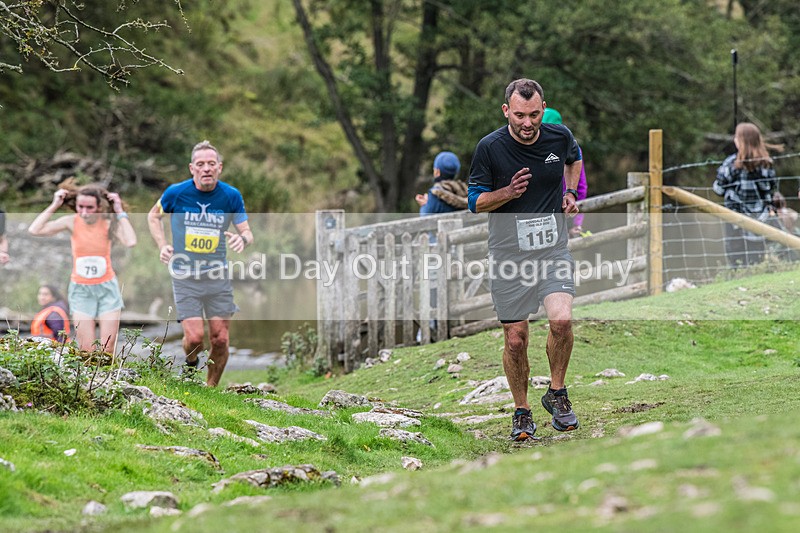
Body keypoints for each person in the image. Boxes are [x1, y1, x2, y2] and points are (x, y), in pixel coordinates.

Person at [468, 78, 582, 440]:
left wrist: (568, 191)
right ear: (507, 111)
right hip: (509, 256)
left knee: (561, 321)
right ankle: (522, 411)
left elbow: (574, 158)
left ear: (543, 108)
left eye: (534, 114)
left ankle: (558, 394)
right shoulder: (489, 148)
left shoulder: (558, 136)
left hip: (552, 250)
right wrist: (508, 192)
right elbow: (474, 202)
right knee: (515, 339)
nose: (528, 123)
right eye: (519, 115)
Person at [147, 140, 253, 387]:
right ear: (192, 168)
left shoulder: (230, 196)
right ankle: (191, 362)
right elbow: (153, 216)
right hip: (185, 276)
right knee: (194, 338)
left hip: (218, 277)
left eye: (211, 164)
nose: (206, 168)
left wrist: (242, 239)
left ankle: (210, 388)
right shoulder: (176, 193)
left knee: (220, 339)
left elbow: (247, 232)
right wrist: (163, 245)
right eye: (201, 164)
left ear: (220, 168)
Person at [28, 185, 137, 352]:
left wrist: (119, 210)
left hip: (107, 288)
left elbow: (130, 241)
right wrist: (55, 204)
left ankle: (109, 378)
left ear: (99, 207)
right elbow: (35, 229)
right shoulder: (71, 221)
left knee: (107, 349)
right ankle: (92, 378)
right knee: (86, 350)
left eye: (90, 208)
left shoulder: (108, 223)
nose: (84, 212)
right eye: (81, 207)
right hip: (80, 290)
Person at [713, 122, 781, 268]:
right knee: (757, 257)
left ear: (741, 141)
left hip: (734, 218)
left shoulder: (730, 163)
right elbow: (771, 190)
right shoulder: (766, 164)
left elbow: (718, 189)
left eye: (737, 137)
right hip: (760, 218)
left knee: (736, 259)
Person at [541, 108, 589, 237]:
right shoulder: (531, 149)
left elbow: (581, 186)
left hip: (564, 213)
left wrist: (577, 222)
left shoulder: (571, 148)